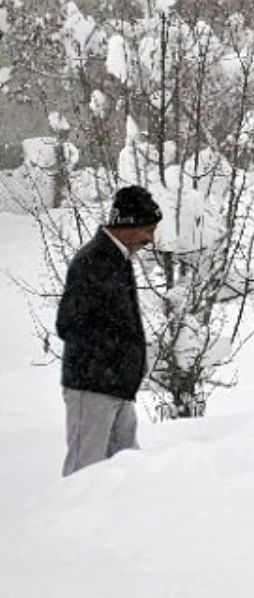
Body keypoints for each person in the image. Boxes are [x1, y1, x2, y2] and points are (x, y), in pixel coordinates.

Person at [56, 185, 162, 476]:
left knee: (126, 472)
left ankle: (122, 523)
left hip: (117, 388)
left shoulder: (117, 259)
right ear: (128, 225)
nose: (150, 241)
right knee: (84, 473)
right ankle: (70, 522)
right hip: (92, 387)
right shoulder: (92, 262)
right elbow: (68, 324)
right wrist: (113, 360)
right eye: (148, 230)